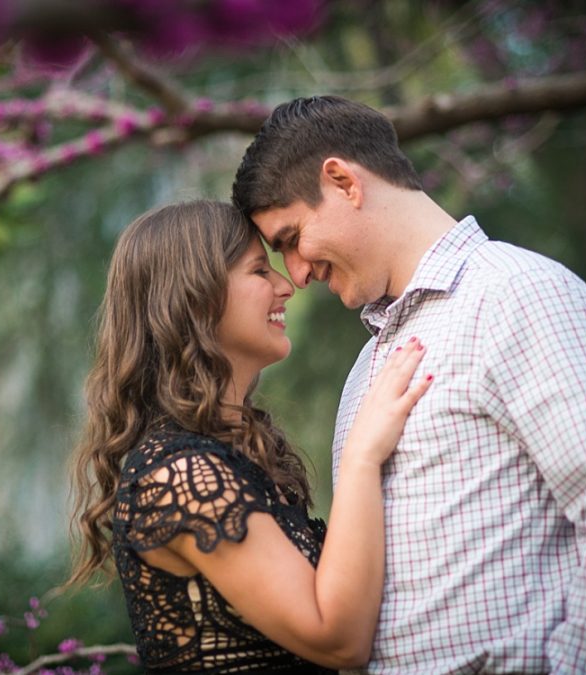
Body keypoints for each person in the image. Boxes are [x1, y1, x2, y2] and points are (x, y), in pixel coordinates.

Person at [231, 95, 586, 674]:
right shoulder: (366, 372)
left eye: (291, 238)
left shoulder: (521, 295)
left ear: (343, 181)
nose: (296, 274)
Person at [69, 200, 434, 673]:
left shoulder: (234, 456)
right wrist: (363, 456)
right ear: (196, 298)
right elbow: (337, 639)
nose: (287, 286)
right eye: (260, 270)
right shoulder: (180, 476)